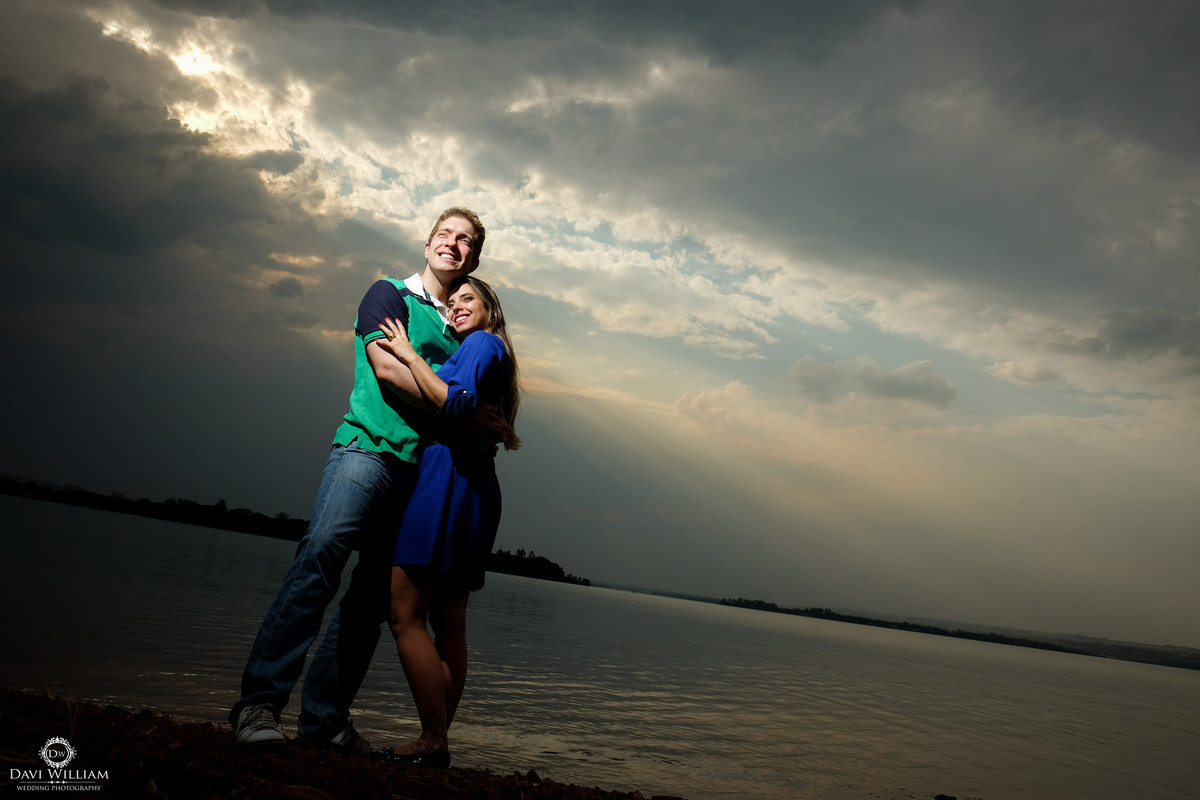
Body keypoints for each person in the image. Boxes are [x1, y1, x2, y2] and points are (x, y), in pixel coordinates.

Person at [230, 208, 503, 751]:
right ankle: (258, 706)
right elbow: (388, 371)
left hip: (421, 477)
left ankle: (325, 721)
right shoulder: (387, 294)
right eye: (446, 234)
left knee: (369, 601)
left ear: (473, 257)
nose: (454, 244)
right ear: (428, 244)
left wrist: (466, 412)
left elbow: (471, 401)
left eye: (466, 241)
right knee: (321, 556)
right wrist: (458, 410)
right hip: (367, 451)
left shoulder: (462, 331)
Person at [371, 276, 521, 768]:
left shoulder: (481, 342)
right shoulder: (491, 351)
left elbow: (453, 402)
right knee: (449, 623)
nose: (455, 307)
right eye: (451, 301)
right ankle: (436, 738)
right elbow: (465, 404)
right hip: (474, 485)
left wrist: (409, 354)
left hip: (448, 483)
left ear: (490, 308)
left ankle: (433, 738)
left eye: (468, 299)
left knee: (405, 614)